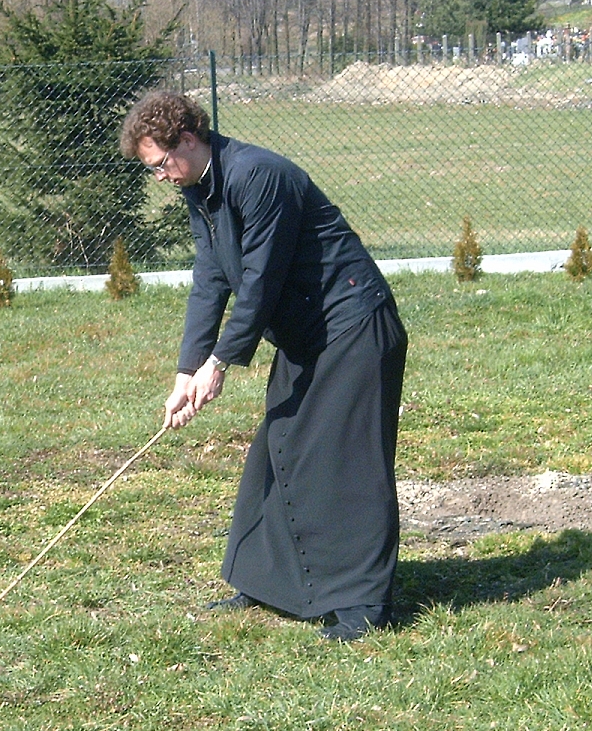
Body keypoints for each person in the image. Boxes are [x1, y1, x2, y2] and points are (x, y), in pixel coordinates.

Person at [119, 91, 408, 641]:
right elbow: (211, 277)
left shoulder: (258, 175)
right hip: (307, 335)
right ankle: (268, 582)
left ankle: (363, 603)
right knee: (280, 449)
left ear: (186, 139)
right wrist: (187, 371)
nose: (159, 176)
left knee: (346, 464)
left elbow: (261, 280)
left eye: (160, 164)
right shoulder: (199, 188)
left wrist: (221, 362)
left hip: (352, 326)